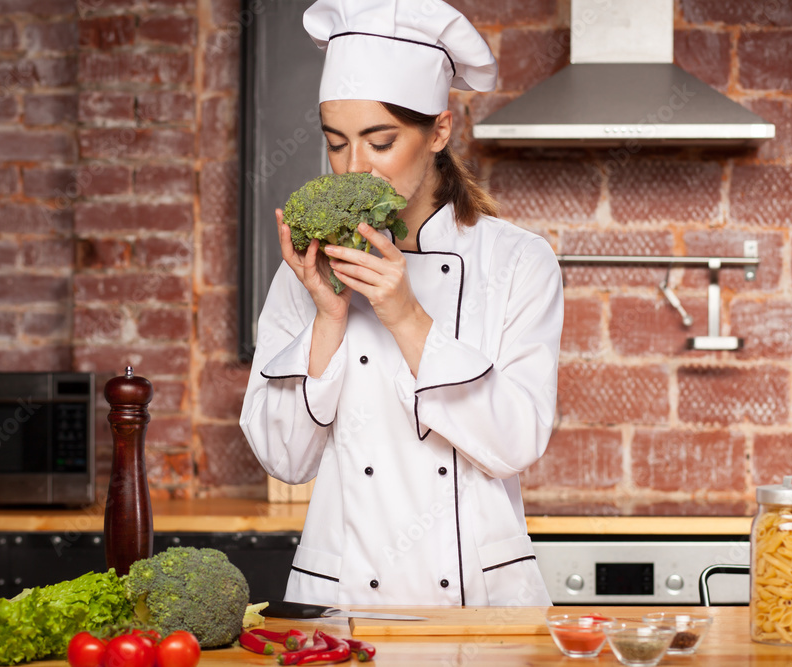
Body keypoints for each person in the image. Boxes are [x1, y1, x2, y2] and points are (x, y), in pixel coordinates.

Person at [240, 0, 563, 607]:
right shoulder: (308, 268)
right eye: (337, 144)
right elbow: (283, 459)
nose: (354, 167)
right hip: (343, 601)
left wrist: (406, 316)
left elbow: (516, 444)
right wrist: (330, 319)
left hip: (480, 601)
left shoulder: (517, 262)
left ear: (439, 130)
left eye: (380, 141)